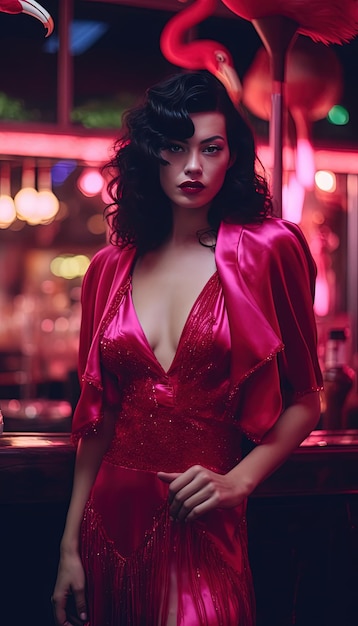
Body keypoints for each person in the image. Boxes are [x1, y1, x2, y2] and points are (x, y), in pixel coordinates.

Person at [52, 70, 323, 626]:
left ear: (232, 157)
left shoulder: (270, 251)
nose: (193, 167)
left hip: (204, 522)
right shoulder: (108, 268)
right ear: (151, 156)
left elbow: (307, 398)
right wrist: (69, 546)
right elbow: (97, 419)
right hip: (107, 522)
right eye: (175, 149)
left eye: (211, 149)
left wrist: (240, 481)